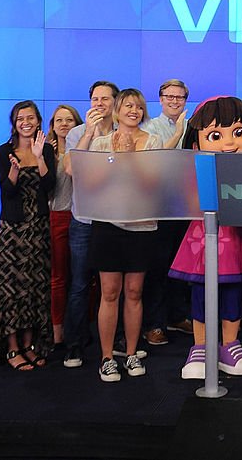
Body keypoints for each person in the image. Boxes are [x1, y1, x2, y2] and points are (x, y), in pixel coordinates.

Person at [170, 97, 242, 379]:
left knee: (235, 289)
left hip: (238, 237)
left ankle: (230, 343)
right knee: (201, 289)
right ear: (196, 143)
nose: (228, 143)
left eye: (238, 132)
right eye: (215, 135)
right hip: (204, 237)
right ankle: (201, 345)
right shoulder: (193, 169)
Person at [89, 89, 163, 382]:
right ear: (117, 110)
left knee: (134, 292)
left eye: (139, 106)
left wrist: (131, 157)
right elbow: (92, 183)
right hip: (108, 224)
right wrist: (115, 157)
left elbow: (153, 184)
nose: (134, 110)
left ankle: (131, 353)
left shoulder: (153, 142)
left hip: (142, 226)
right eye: (128, 105)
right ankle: (107, 357)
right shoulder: (100, 143)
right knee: (109, 293)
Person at [0, 101, 56, 371]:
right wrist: (14, 173)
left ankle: (31, 346)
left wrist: (39, 158)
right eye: (19, 118)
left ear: (38, 121)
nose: (25, 122)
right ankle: (12, 348)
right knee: (12, 292)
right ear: (14, 123)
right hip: (12, 233)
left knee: (35, 290)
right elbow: (7, 192)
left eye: (30, 117)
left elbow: (50, 187)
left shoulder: (46, 150)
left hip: (38, 230)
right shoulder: (4, 152)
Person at [62, 81, 119, 369]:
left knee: (114, 288)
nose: (99, 104)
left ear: (115, 102)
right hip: (84, 219)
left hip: (115, 219)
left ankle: (115, 344)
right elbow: (72, 169)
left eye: (105, 99)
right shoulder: (76, 133)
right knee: (80, 284)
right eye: (95, 98)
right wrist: (88, 133)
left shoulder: (123, 132)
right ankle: (74, 345)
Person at [141, 79, 192, 347]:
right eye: (169, 96)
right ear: (160, 99)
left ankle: (177, 315)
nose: (174, 101)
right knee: (158, 268)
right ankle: (155, 324)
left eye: (180, 97)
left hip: (186, 206)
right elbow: (156, 161)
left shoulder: (193, 126)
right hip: (159, 207)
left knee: (181, 266)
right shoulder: (149, 127)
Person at [46, 104, 82, 347]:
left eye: (69, 120)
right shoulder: (46, 151)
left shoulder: (82, 146)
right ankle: (57, 329)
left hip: (81, 217)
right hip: (56, 216)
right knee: (58, 277)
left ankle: (81, 328)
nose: (64, 124)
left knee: (82, 278)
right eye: (59, 120)